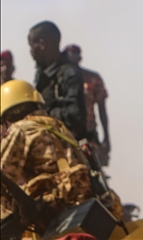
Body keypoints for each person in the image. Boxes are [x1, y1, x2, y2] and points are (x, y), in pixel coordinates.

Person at [0, 79, 94, 232]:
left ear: (8, 116)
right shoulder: (59, 127)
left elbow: (4, 174)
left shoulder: (21, 129)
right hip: (82, 211)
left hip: (52, 216)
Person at [28, 21, 87, 141]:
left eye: (32, 45)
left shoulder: (69, 73)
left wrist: (43, 115)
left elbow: (75, 116)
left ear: (42, 44)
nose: (31, 51)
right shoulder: (43, 74)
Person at [63, 45, 110, 167]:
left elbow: (102, 109)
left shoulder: (92, 78)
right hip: (64, 132)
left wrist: (106, 138)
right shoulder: (59, 79)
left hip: (88, 132)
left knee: (93, 168)